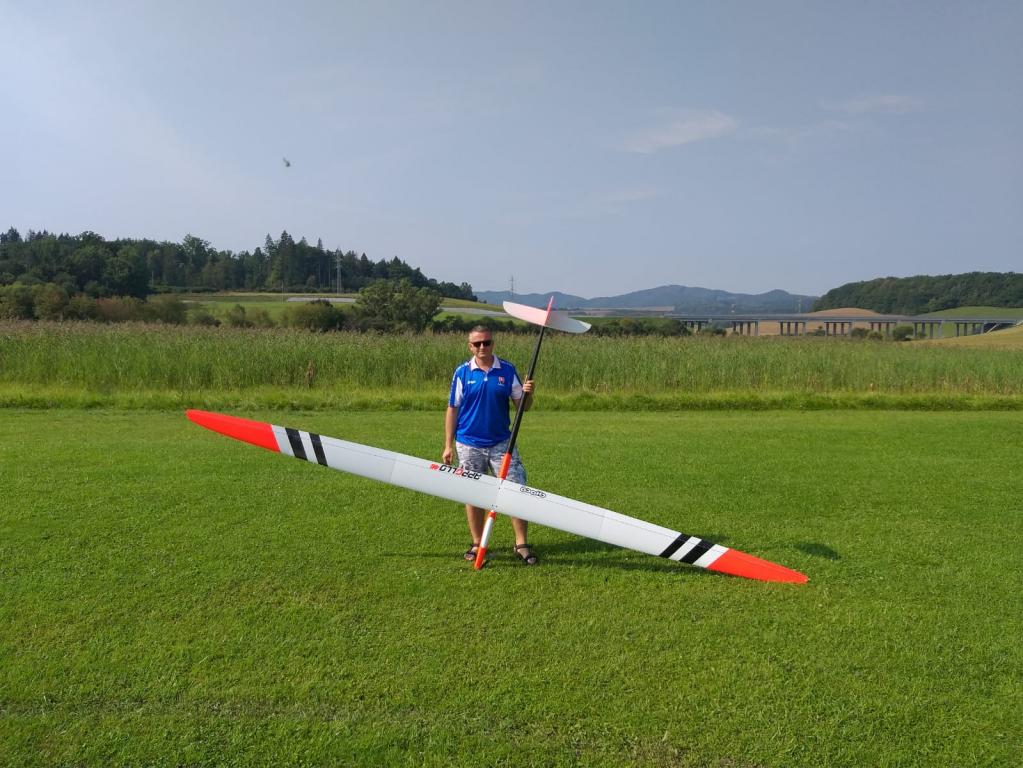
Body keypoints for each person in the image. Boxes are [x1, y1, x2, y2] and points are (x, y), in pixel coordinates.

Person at [443, 325, 538, 565]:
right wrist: (448, 445)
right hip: (468, 444)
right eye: (477, 344)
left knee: (516, 490)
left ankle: (521, 544)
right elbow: (453, 409)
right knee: (473, 494)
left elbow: (523, 407)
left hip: (501, 443)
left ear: (492, 344)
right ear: (470, 346)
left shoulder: (507, 370)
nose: (482, 347)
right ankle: (477, 543)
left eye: (486, 342)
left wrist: (528, 393)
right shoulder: (462, 372)